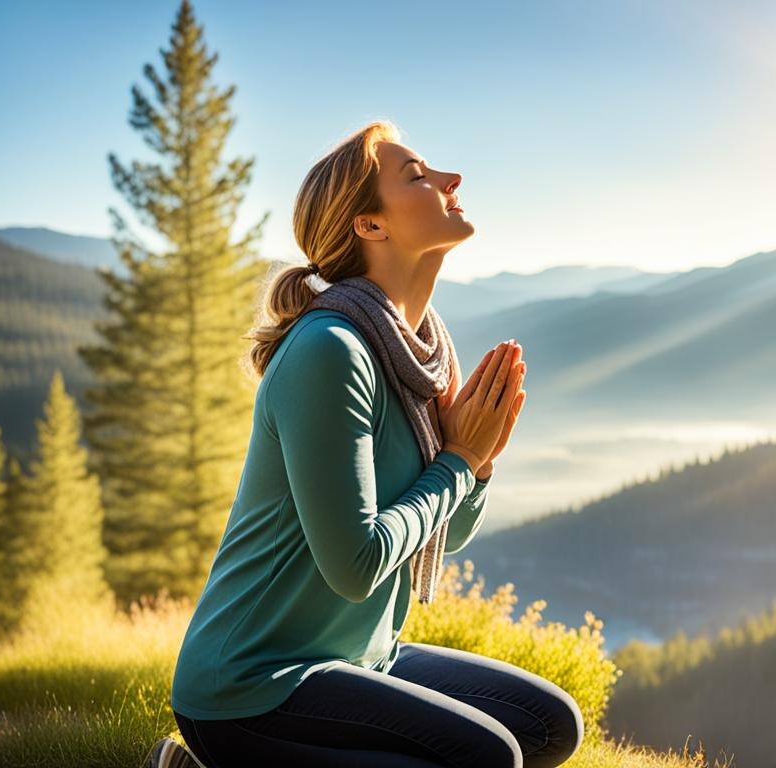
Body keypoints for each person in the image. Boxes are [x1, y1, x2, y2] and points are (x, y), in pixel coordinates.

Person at [149, 121, 584, 767]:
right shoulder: (333, 351)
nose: (450, 180)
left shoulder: (420, 352)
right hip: (254, 686)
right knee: (489, 757)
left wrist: (478, 463)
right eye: (416, 176)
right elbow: (356, 565)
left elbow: (447, 533)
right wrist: (458, 462)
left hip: (360, 657)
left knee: (549, 725)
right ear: (370, 226)